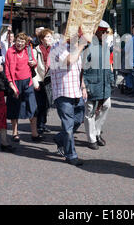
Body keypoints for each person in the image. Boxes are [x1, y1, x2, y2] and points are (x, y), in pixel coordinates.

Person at [50, 22, 91, 166]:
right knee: (68, 126)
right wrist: (81, 46)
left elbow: (79, 70)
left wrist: (83, 86)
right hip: (63, 92)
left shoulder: (75, 48)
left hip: (76, 90)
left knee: (78, 119)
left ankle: (60, 138)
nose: (78, 36)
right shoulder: (57, 48)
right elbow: (69, 61)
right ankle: (71, 155)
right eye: (76, 33)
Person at [83, 20, 113, 150]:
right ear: (96, 32)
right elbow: (82, 68)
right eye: (103, 32)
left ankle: (97, 132)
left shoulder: (105, 46)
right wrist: (85, 85)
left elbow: (108, 65)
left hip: (104, 82)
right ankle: (91, 138)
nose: (105, 34)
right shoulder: (87, 46)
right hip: (92, 83)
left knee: (106, 106)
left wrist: (111, 79)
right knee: (89, 111)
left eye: (106, 32)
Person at [5, 32, 41, 143]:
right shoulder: (10, 51)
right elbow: (7, 69)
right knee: (14, 108)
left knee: (32, 107)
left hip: (27, 82)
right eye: (18, 41)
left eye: (22, 41)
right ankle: (15, 132)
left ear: (25, 42)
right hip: (15, 83)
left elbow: (34, 63)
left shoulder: (28, 50)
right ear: (15, 41)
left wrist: (33, 63)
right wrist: (11, 85)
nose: (19, 43)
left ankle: (34, 133)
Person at [32, 28, 54, 135]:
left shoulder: (53, 49)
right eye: (48, 36)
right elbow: (34, 68)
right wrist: (35, 82)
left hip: (49, 80)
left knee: (47, 104)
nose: (50, 38)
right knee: (40, 104)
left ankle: (43, 123)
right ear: (42, 39)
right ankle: (38, 125)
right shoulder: (36, 50)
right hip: (40, 79)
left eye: (51, 36)